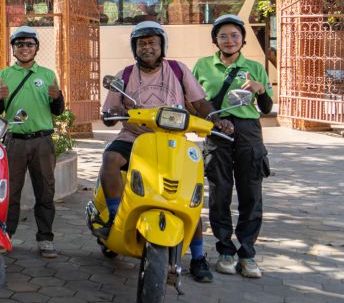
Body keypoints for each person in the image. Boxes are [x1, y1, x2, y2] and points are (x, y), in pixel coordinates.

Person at [98, 21, 232, 283]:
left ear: (162, 46)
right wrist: (112, 114)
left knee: (189, 196)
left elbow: (198, 102)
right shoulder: (124, 75)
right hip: (135, 137)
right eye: (142, 43)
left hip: (174, 140)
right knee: (110, 159)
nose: (147, 47)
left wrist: (217, 120)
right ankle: (115, 217)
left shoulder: (178, 70)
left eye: (152, 43)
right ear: (135, 48)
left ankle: (198, 256)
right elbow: (109, 114)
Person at [193, 14, 273, 279]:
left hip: (249, 133)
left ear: (243, 39)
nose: (229, 40)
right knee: (220, 193)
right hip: (217, 131)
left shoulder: (254, 67)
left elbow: (266, 108)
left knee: (251, 193)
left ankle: (248, 253)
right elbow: (193, 102)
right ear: (215, 40)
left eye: (235, 35)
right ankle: (225, 250)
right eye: (223, 36)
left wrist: (261, 90)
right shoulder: (203, 66)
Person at [0, 26, 64, 258]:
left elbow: (58, 111)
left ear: (36, 48)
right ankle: (6, 234)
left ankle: (45, 238)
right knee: (10, 192)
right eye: (19, 44)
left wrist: (58, 98)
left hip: (42, 141)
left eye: (29, 44)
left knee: (45, 191)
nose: (24, 48)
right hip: (14, 142)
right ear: (13, 48)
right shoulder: (3, 75)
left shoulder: (48, 74)